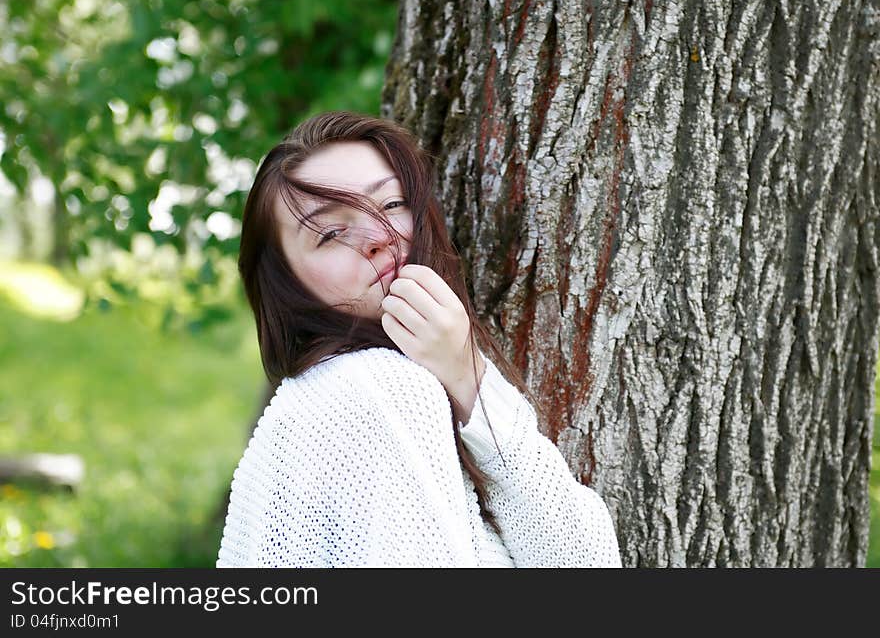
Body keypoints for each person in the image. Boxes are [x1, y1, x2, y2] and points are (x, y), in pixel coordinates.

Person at [216, 111, 622, 567]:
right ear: (284, 280)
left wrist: (467, 377)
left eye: (390, 205)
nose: (378, 236)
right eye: (330, 233)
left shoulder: (364, 388)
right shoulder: (373, 390)